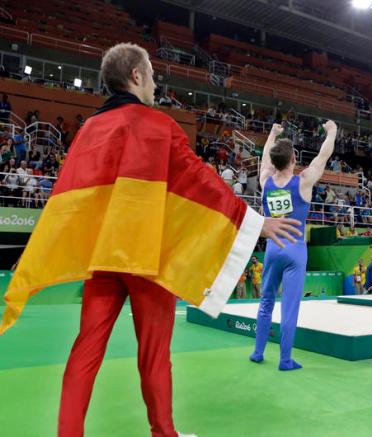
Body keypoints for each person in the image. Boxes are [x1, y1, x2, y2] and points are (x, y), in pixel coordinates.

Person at [0, 43, 302, 437]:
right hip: (150, 259)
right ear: (136, 76)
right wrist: (253, 222)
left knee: (85, 350)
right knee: (155, 358)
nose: (157, 84)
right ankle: (163, 433)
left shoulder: (90, 129)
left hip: (104, 258)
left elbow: (71, 194)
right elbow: (200, 181)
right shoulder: (160, 126)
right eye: (154, 75)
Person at [250, 119, 337, 371]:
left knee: (266, 301)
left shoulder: (265, 181)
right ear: (293, 160)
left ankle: (257, 352)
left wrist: (272, 133)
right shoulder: (303, 182)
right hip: (295, 249)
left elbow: (264, 159)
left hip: (273, 248)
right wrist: (331, 132)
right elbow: (323, 155)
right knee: (289, 306)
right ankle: (285, 360)